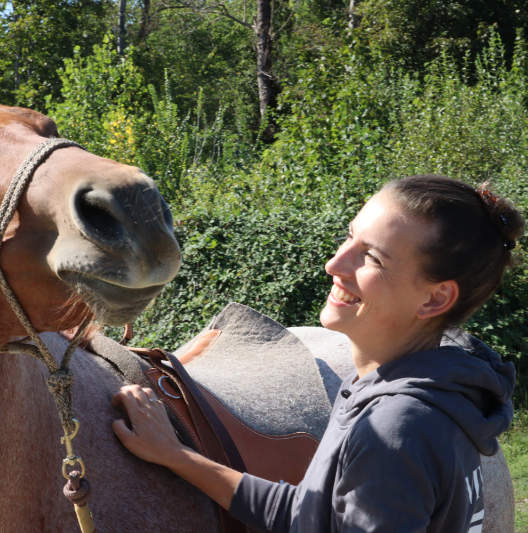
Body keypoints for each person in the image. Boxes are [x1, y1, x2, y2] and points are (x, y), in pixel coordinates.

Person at [111, 175, 523, 531]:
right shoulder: (417, 390)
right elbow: (312, 514)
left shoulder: (397, 430)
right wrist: (178, 456)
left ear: (435, 299)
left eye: (372, 257)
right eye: (350, 237)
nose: (334, 264)